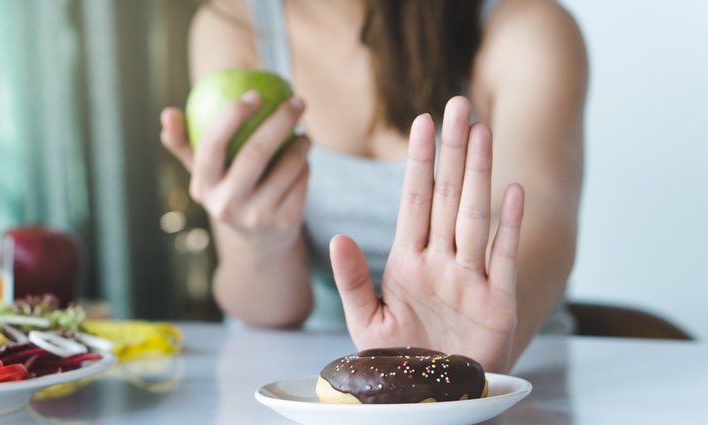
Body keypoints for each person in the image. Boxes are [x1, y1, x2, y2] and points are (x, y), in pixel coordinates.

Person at [160, 0, 587, 373]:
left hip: (512, 371)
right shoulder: (234, 22)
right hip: (313, 385)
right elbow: (274, 314)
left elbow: (543, 211)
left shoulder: (527, 25)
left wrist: (469, 349)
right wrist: (259, 242)